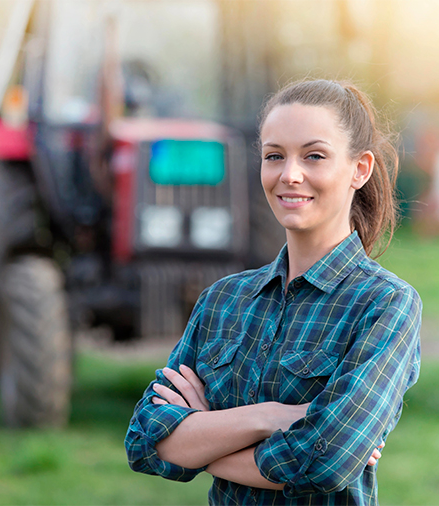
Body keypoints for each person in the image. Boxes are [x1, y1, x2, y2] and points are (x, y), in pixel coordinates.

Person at [125, 79, 422, 505]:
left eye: (314, 156)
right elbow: (144, 441)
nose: (290, 175)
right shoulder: (223, 300)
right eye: (274, 156)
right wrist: (268, 418)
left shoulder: (385, 305)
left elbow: (325, 460)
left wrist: (202, 438)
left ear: (360, 169)